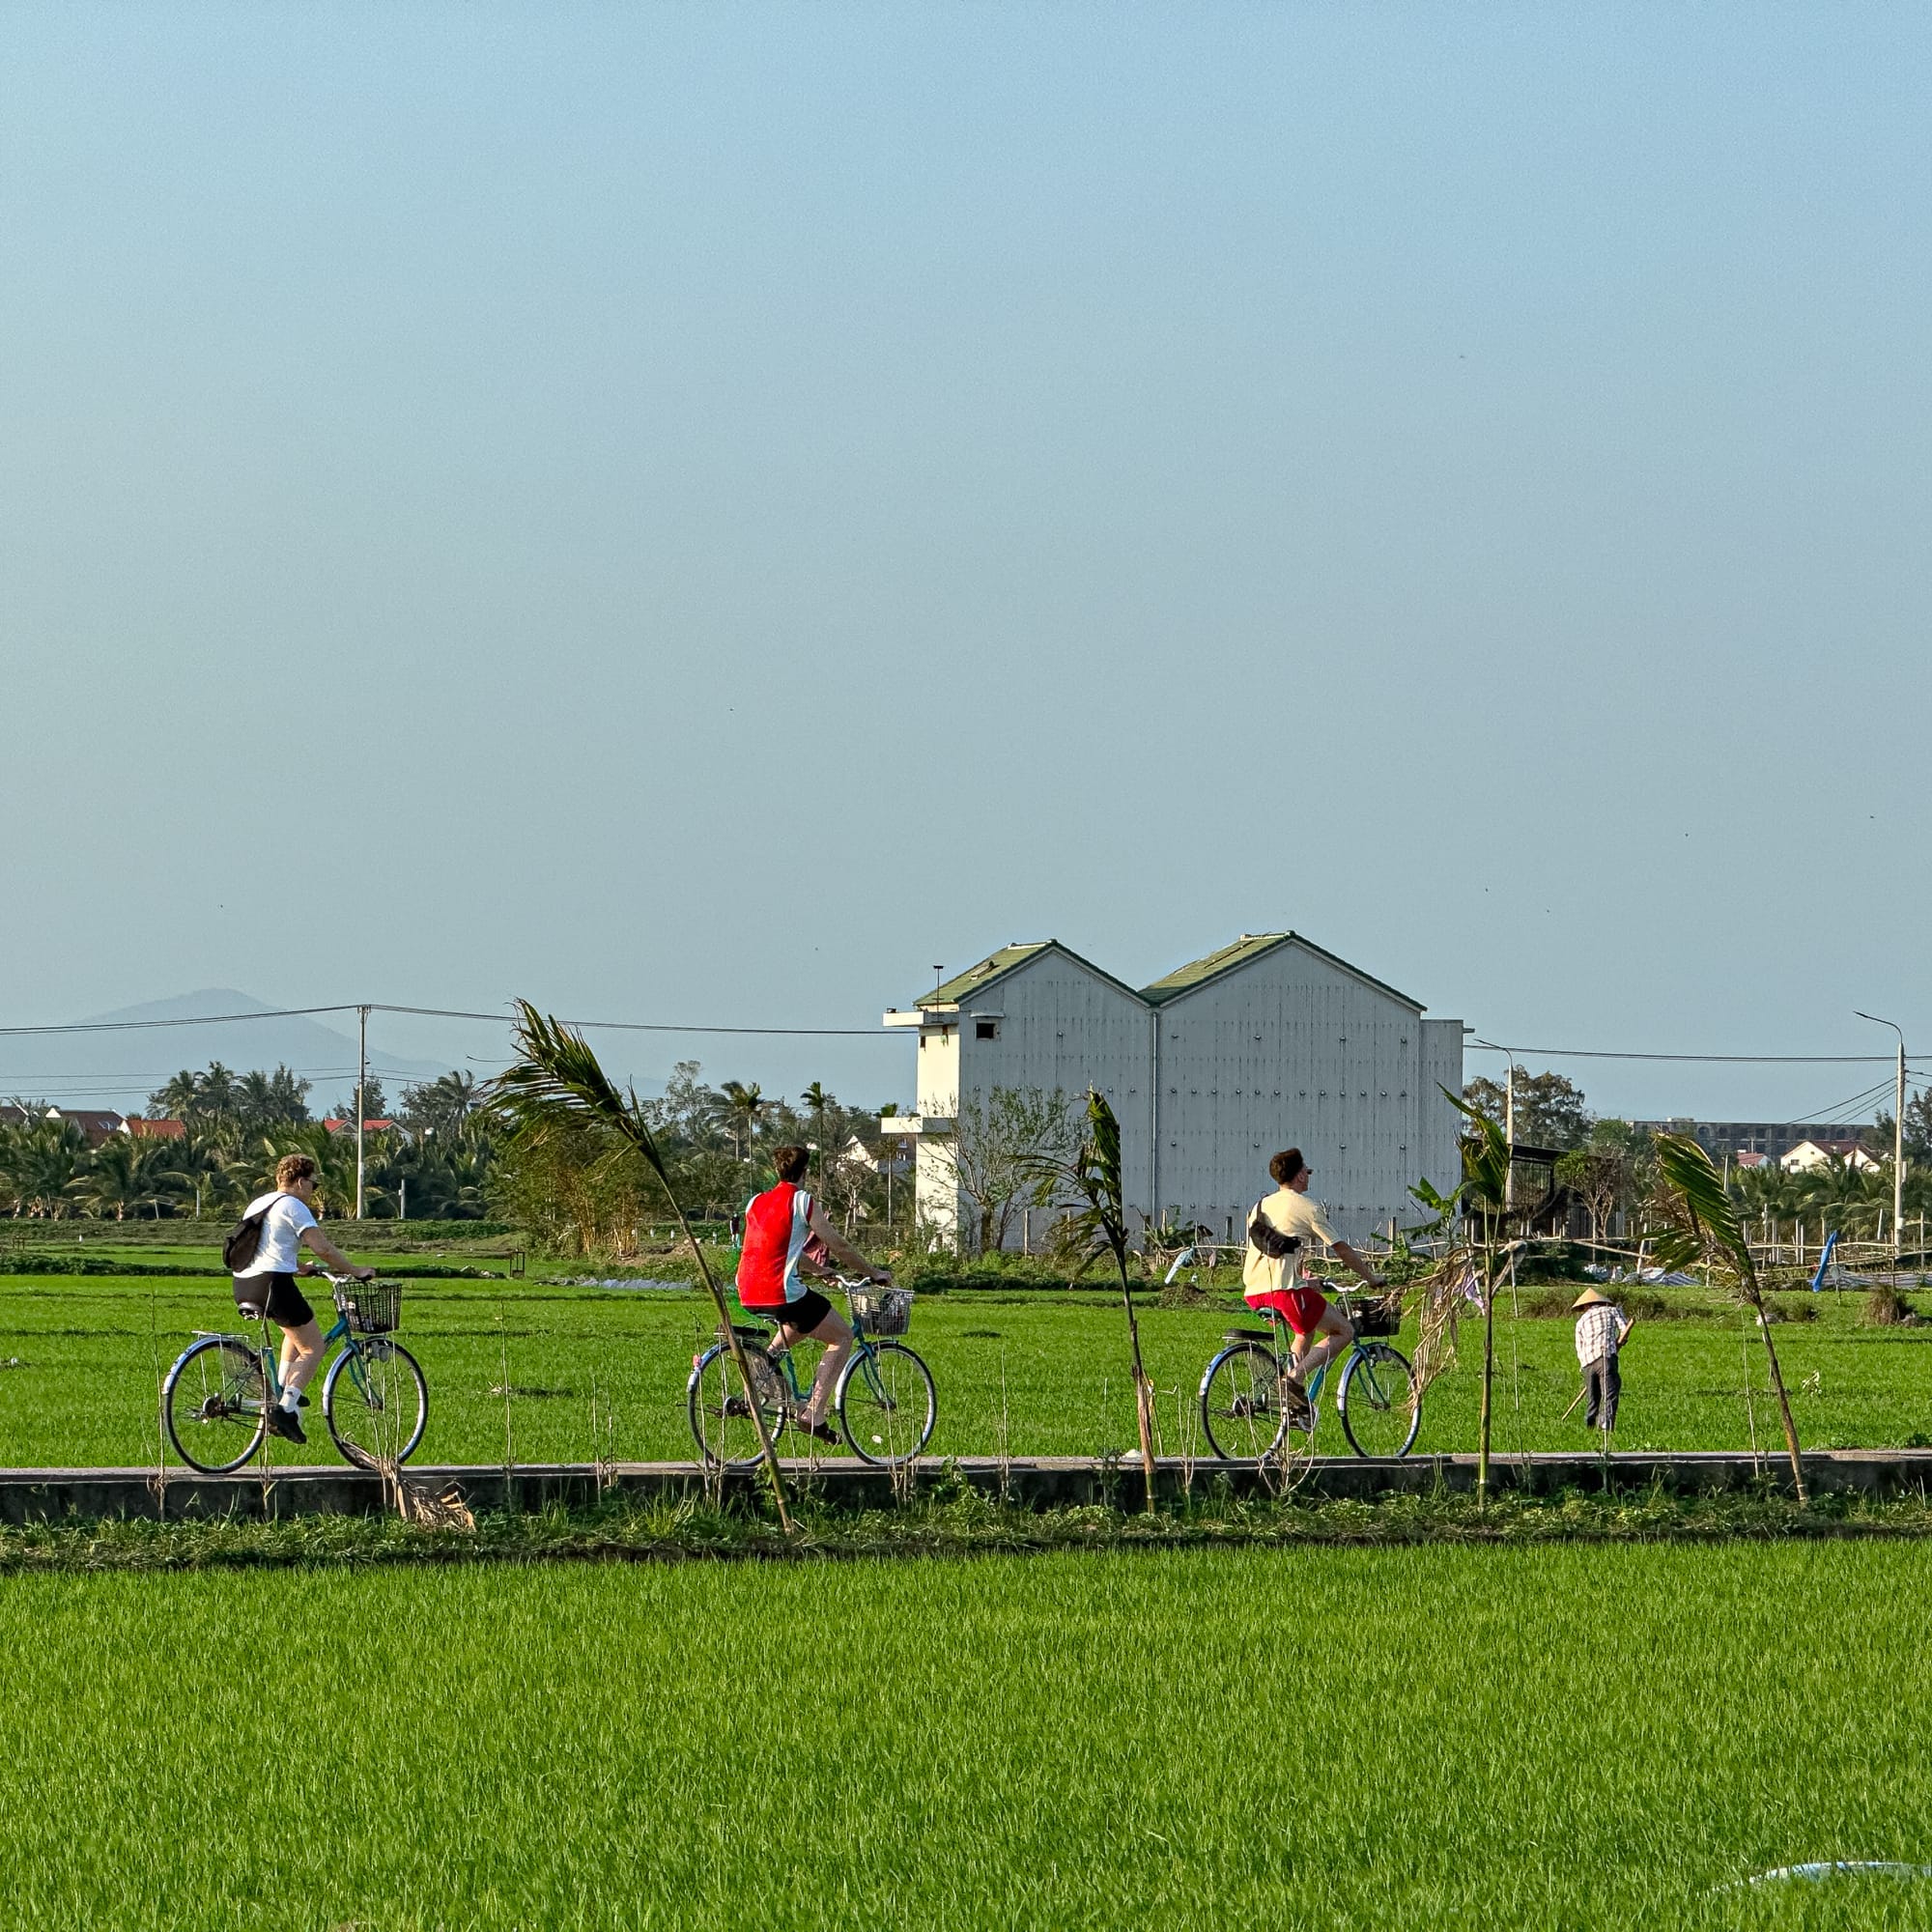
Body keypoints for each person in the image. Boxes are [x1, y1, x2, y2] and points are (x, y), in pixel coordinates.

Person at [735, 1144, 891, 1444]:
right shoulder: (802, 1201)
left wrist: (819, 1271)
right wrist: (874, 1273)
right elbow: (839, 1245)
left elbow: (776, 1250)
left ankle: (756, 1382)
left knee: (800, 1323)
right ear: (804, 1173)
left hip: (747, 1289)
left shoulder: (756, 1202)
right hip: (780, 1291)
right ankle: (814, 1413)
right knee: (842, 1336)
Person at [232, 1152, 375, 1445]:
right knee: (314, 1347)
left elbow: (264, 1247)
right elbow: (324, 1249)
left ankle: (284, 1388)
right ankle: (286, 1408)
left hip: (245, 1283)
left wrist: (299, 1268)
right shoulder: (294, 1206)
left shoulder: (259, 1203)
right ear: (300, 1182)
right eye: (313, 1184)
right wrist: (356, 1270)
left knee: (293, 1330)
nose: (313, 1191)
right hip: (273, 1284)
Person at [1243, 1147, 1387, 1411]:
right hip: (1285, 1293)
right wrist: (1370, 1277)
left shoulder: (1259, 1207)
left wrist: (1306, 1282)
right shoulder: (1309, 1208)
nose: (1308, 1177)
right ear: (1299, 1176)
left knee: (1305, 1328)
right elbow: (1341, 1249)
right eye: (1306, 1172)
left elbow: (1273, 1257)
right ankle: (1294, 1379)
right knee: (1345, 1330)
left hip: (1254, 1292)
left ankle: (1291, 1405)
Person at [1572, 1287, 1633, 1435]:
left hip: (1587, 1363)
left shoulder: (1581, 1322)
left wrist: (1584, 1366)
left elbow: (1579, 1347)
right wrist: (1621, 1341)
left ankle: (1589, 1425)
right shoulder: (1612, 1311)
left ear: (1586, 1306)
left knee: (1593, 1398)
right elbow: (1624, 1329)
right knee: (1610, 1394)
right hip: (1605, 1358)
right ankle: (1606, 1427)